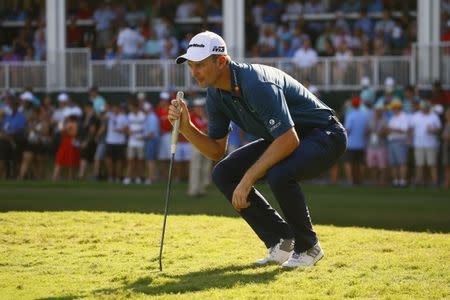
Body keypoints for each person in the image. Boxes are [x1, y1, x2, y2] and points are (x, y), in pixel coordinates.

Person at [169, 31, 347, 268]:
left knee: (280, 173)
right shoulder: (214, 94)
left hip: (325, 134)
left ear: (221, 61)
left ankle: (308, 247)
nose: (194, 72)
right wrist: (186, 128)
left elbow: (288, 139)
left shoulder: (256, 83)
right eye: (191, 66)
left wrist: (248, 179)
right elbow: (215, 151)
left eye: (200, 65)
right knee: (223, 172)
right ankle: (282, 241)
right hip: (289, 137)